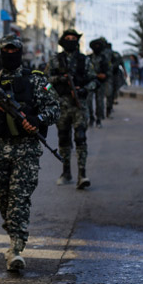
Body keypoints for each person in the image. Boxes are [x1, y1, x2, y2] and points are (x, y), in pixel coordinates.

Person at [0, 35, 60, 271]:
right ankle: (12, 235)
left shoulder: (36, 80)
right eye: (5, 49)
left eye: (13, 49)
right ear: (0, 52)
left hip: (26, 150)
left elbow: (55, 107)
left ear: (20, 52)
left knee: (20, 198)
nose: (10, 53)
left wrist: (36, 119)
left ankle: (17, 248)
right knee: (5, 199)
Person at [46, 29, 97, 189]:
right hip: (61, 105)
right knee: (63, 139)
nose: (70, 40)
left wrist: (84, 90)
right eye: (67, 38)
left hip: (79, 105)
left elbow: (94, 81)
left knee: (81, 137)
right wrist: (59, 80)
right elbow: (45, 83)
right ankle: (66, 172)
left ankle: (82, 174)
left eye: (73, 38)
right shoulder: (55, 60)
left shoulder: (85, 61)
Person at [88, 38, 111, 128]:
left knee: (99, 102)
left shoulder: (104, 58)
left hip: (100, 83)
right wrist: (96, 75)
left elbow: (109, 71)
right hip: (90, 82)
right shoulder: (88, 58)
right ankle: (91, 118)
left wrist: (104, 75)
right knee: (89, 101)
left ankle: (98, 119)